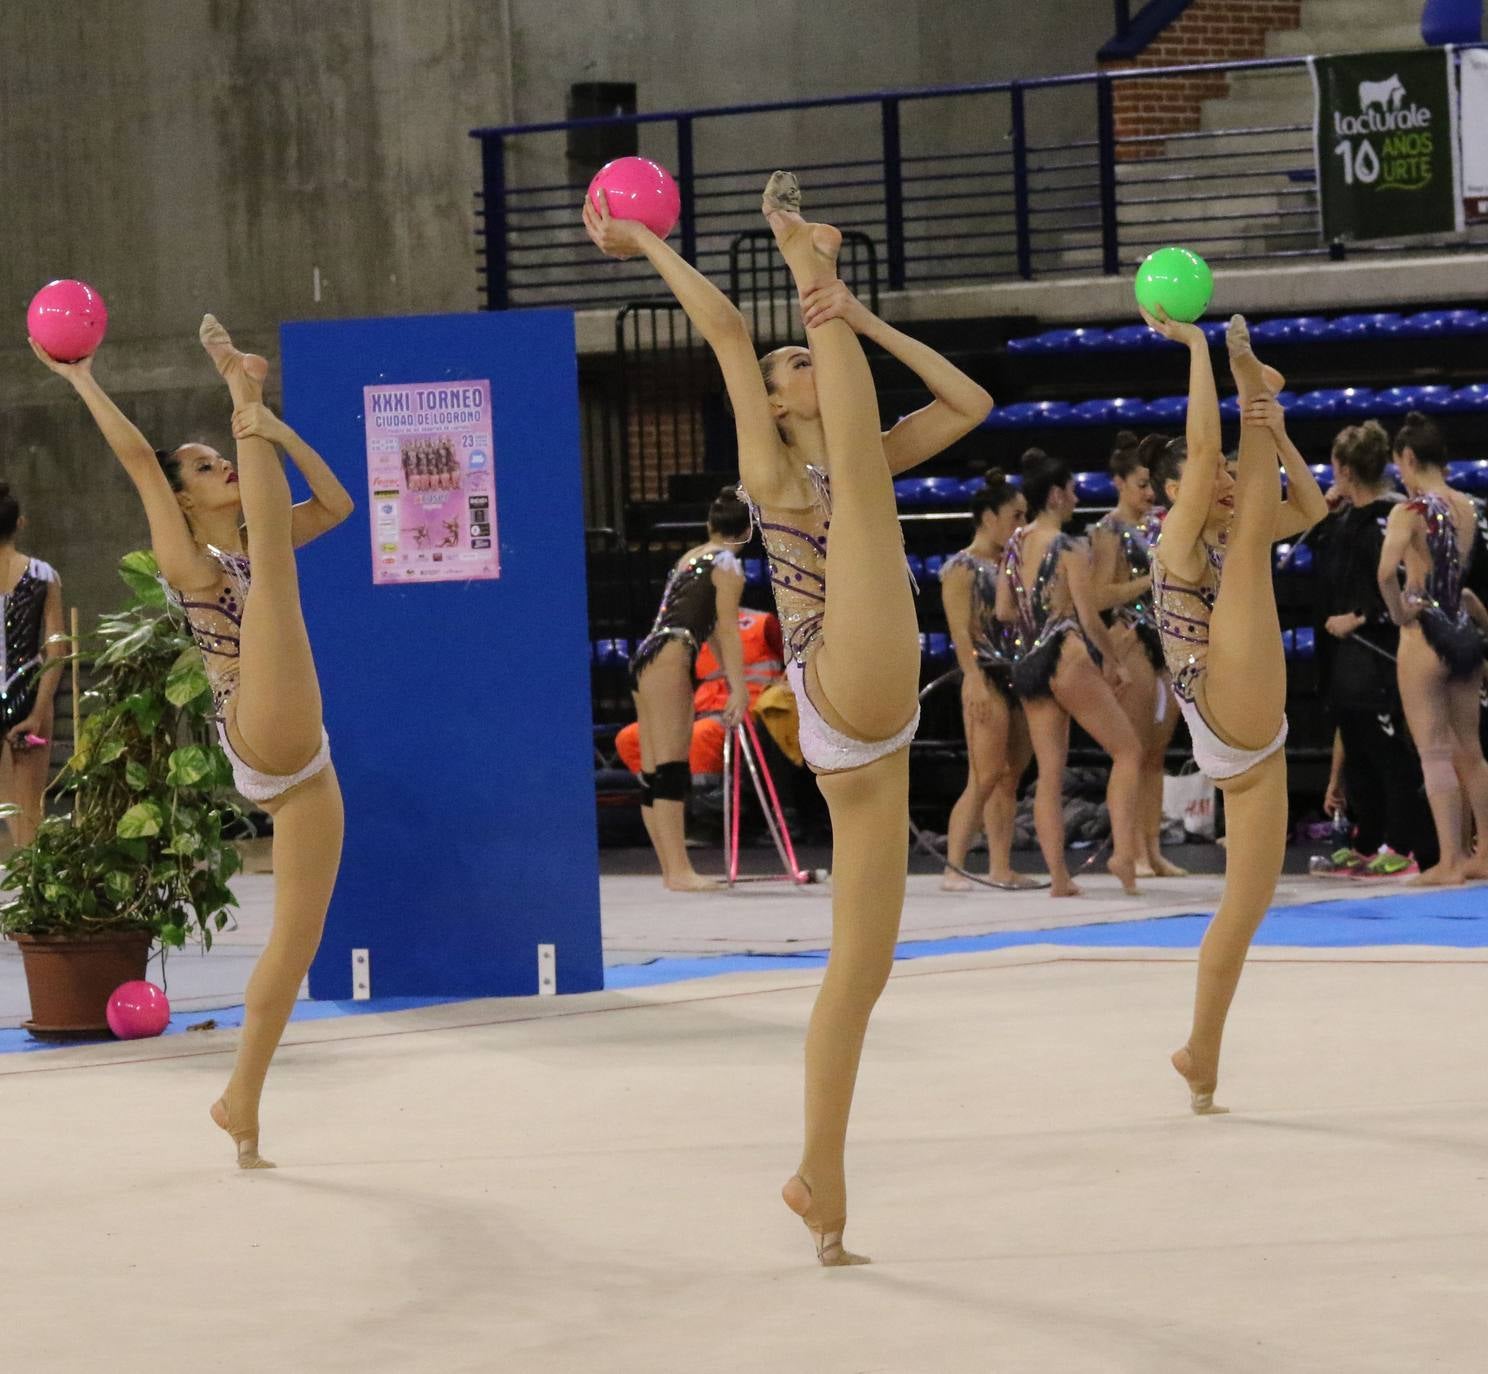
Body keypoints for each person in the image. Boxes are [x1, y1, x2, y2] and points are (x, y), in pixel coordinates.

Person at [585, 171, 992, 1265]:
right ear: (772, 400)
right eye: (800, 355)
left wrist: (857, 317)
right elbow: (723, 328)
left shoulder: (862, 447)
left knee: (861, 971)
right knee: (860, 477)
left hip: (872, 729)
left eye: (812, 348)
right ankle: (803, 245)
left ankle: (821, 1177)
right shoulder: (776, 464)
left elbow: (969, 407)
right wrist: (650, 249)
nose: (808, 358)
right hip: (834, 672)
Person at [31, 315, 354, 1168]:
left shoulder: (257, 536)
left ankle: (239, 1096)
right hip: (253, 714)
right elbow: (141, 460)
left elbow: (339, 504)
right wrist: (80, 379)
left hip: (301, 761)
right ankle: (236, 377)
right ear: (185, 498)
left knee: (296, 944)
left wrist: (276, 429)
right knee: (275, 560)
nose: (215, 465)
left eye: (222, 455)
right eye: (206, 464)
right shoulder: (191, 558)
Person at [1146, 311, 1328, 1113]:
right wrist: (1201, 355)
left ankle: (1202, 1055)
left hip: (1251, 738)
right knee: (1253, 537)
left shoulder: (1237, 531)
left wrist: (1278, 433)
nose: (1215, 481)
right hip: (1220, 696)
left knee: (1247, 903)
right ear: (1174, 491)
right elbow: (1215, 458)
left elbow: (1314, 509)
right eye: (1201, 475)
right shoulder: (1179, 542)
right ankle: (1249, 377)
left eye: (1220, 476)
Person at [997, 449, 1142, 898]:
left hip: (1028, 661)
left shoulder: (1016, 542)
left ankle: (1060, 877)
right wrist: (1113, 660)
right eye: (1074, 490)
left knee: (1049, 773)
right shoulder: (1068, 546)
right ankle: (1122, 852)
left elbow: (1003, 609)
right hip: (1067, 654)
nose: (1078, 497)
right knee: (1129, 752)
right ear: (1057, 495)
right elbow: (1089, 613)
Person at [1377, 411, 1488, 885]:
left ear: (1406, 457)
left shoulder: (1410, 511)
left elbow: (1385, 574)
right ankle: (1482, 854)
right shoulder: (1470, 507)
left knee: (1435, 751)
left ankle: (1449, 860)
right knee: (1471, 750)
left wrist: (1401, 612)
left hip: (1424, 630)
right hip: (1463, 630)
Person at [1312, 421, 1426, 876]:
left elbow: (1407, 582)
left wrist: (1360, 617)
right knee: (1356, 746)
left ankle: (1402, 843)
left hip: (1380, 650)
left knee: (1388, 751)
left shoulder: (1393, 514)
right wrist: (1324, 511)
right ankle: (1368, 838)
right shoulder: (1343, 518)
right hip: (1342, 658)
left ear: (1344, 468)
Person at [627, 487, 751, 890]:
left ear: (709, 525)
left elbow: (712, 627)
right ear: (748, 532)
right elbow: (730, 631)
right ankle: (679, 871)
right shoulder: (729, 564)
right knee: (670, 767)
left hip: (647, 654)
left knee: (652, 769)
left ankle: (670, 870)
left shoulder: (692, 556)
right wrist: (740, 688)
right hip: (671, 655)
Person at [1090, 435, 1187, 878]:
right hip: (1128, 638)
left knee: (1156, 753)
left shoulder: (1158, 527)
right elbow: (1098, 594)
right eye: (1141, 485)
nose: (1150, 493)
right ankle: (1126, 849)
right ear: (1119, 484)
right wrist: (1149, 582)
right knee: (1132, 751)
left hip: (1160, 641)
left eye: (1152, 485)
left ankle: (1152, 848)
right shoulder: (1108, 530)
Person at [937, 471, 1037, 890]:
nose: (1021, 524)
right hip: (985, 674)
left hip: (1020, 673)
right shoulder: (960, 567)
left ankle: (1000, 866)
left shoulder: (1016, 567)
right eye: (1015, 516)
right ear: (988, 516)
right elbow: (959, 631)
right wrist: (974, 680)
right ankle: (953, 867)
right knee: (984, 774)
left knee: (1010, 776)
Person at [0, 484, 65, 850]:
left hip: (23, 685)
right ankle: (32, 878)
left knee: (10, 800)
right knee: (30, 805)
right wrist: (39, 710)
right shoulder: (43, 574)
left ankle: (27, 871)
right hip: (28, 688)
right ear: (19, 523)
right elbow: (57, 645)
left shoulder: (44, 575)